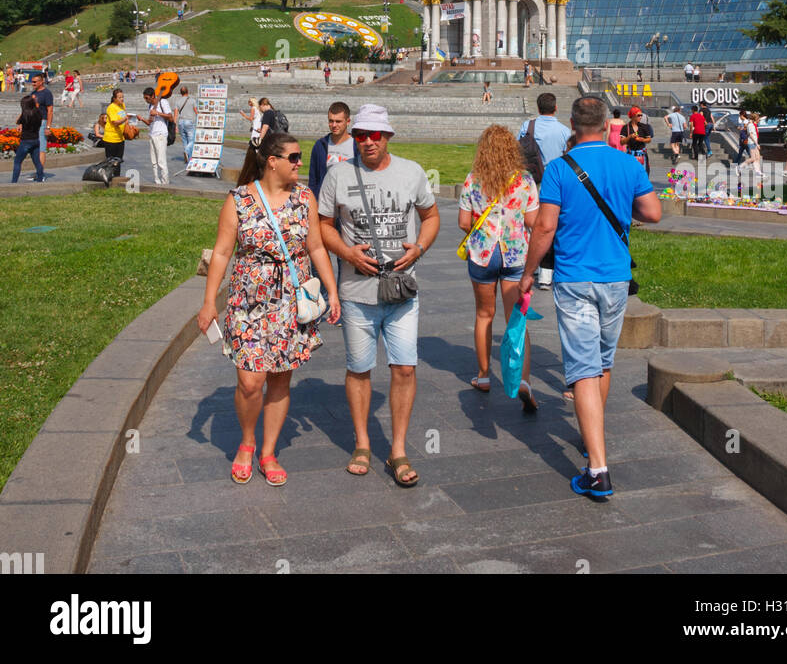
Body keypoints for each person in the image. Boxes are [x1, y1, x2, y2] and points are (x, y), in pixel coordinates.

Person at [519, 96, 662, 499]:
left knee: (581, 368)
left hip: (575, 278)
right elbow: (653, 213)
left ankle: (597, 470)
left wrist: (529, 274)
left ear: (571, 125)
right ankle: (590, 437)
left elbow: (544, 228)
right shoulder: (627, 164)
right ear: (605, 124)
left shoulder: (560, 170)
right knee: (601, 361)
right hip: (615, 278)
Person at [197, 132, 340, 486]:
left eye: (300, 157)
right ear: (271, 161)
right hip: (248, 300)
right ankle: (247, 442)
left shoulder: (305, 198)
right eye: (293, 157)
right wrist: (208, 301)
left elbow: (317, 248)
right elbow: (221, 253)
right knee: (250, 380)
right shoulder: (239, 201)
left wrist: (332, 293)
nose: (299, 163)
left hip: (291, 301)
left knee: (279, 377)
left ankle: (268, 451)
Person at [318, 104, 440, 487]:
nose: (367, 142)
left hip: (402, 290)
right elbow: (322, 225)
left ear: (388, 137)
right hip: (356, 290)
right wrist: (347, 252)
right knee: (359, 369)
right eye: (360, 135)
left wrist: (418, 248)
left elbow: (432, 215)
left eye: (374, 135)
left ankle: (399, 449)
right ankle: (363, 443)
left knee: (404, 367)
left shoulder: (412, 172)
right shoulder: (338, 175)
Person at [458, 125, 539, 409]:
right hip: (515, 254)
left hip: (483, 253)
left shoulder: (473, 180)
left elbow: (464, 223)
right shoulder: (525, 180)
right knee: (517, 320)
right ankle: (523, 379)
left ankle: (483, 376)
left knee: (484, 315)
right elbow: (532, 222)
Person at [518, 93, 571, 289]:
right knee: (552, 225)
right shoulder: (564, 131)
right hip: (556, 182)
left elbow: (518, 149)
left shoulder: (527, 126)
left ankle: (536, 265)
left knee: (534, 225)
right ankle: (547, 274)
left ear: (538, 107)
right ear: (555, 108)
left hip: (532, 180)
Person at [308, 102, 360, 199]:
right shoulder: (320, 146)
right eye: (331, 121)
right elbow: (313, 180)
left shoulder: (357, 145)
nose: (334, 125)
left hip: (350, 201)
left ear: (348, 121)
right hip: (325, 203)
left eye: (338, 121)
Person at [135, 87, 174, 188]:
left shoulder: (163, 102)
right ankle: (157, 181)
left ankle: (165, 182)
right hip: (152, 134)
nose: (146, 100)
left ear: (153, 96)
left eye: (147, 98)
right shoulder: (150, 106)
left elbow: (170, 117)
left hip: (161, 135)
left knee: (161, 160)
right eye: (145, 98)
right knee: (154, 161)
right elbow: (149, 122)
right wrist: (142, 119)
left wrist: (157, 113)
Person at [11, 94, 44, 183]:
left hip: (25, 141)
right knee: (37, 163)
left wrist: (23, 111)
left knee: (17, 162)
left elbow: (17, 121)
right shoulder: (38, 113)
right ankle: (40, 180)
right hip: (36, 140)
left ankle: (14, 182)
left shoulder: (25, 115)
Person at [30, 71, 53, 175]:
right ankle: (38, 171)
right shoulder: (33, 93)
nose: (33, 84)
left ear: (41, 81)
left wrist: (48, 127)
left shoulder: (46, 93)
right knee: (34, 148)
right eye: (32, 82)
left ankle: (40, 173)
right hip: (32, 123)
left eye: (35, 82)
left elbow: (50, 111)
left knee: (41, 148)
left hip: (42, 122)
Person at [622, 106, 652, 177]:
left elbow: (649, 139)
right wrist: (630, 136)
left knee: (643, 174)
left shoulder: (644, 126)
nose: (641, 117)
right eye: (639, 115)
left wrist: (642, 139)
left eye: (641, 115)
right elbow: (622, 142)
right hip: (630, 154)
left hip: (641, 153)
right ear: (633, 115)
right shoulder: (627, 127)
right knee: (630, 174)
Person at [102, 88, 128, 165]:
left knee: (118, 162)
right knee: (111, 163)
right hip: (111, 139)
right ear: (114, 98)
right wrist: (125, 118)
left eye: (122, 97)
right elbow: (115, 123)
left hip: (120, 138)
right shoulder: (111, 108)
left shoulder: (122, 105)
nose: (122, 99)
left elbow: (124, 117)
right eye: (119, 97)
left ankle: (117, 176)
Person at [176, 86, 197, 163]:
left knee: (185, 141)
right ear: (187, 92)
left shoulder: (178, 102)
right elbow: (196, 111)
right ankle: (187, 151)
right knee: (192, 140)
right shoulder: (192, 101)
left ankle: (188, 158)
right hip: (189, 122)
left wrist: (175, 126)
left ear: (181, 93)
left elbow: (175, 114)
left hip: (181, 122)